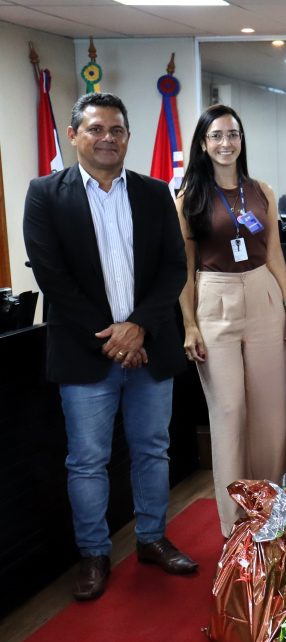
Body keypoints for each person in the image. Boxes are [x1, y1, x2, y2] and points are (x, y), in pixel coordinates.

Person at [23, 93, 198, 601]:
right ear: (75, 135)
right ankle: (95, 553)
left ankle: (151, 539)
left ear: (127, 137)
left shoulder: (152, 193)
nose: (107, 138)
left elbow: (173, 268)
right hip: (85, 352)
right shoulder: (44, 194)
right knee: (87, 460)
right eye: (95, 129)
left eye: (116, 130)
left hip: (149, 347)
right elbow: (53, 278)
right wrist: (114, 336)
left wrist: (139, 327)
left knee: (152, 450)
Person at [176, 104, 286, 537]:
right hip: (214, 298)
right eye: (217, 136)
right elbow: (185, 268)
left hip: (263, 292)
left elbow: (273, 255)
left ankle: (269, 512)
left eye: (233, 134)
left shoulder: (261, 190)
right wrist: (190, 324)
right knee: (229, 411)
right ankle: (235, 527)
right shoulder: (189, 198)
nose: (226, 143)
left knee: (271, 413)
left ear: (241, 140)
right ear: (203, 144)